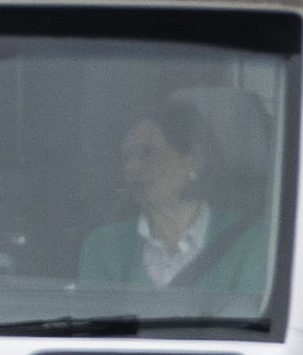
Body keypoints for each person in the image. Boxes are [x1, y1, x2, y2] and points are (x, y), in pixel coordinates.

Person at [76, 102, 271, 301]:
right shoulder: (102, 247)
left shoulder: (251, 240)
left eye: (147, 153)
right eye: (126, 158)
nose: (132, 168)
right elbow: (99, 328)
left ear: (194, 158)